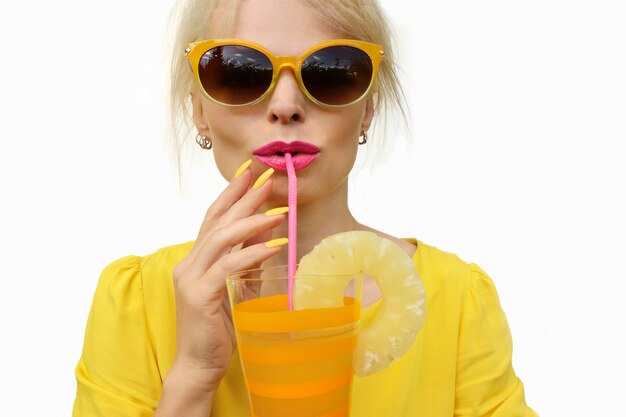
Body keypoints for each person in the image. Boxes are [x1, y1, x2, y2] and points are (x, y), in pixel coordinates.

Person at [73, 0, 538, 416]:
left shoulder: (454, 302)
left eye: (332, 72)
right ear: (199, 110)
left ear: (368, 108)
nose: (287, 105)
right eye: (238, 71)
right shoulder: (135, 303)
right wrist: (193, 377)